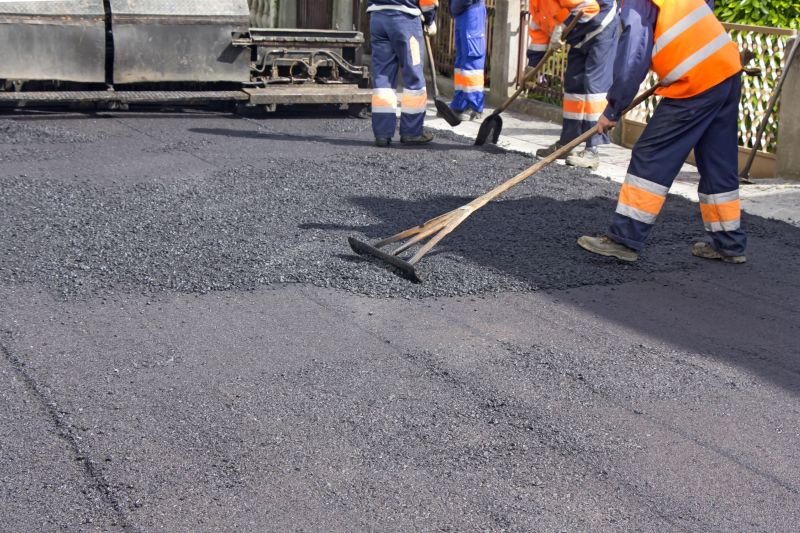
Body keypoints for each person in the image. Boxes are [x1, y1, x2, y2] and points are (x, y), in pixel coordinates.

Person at [577, 0, 746, 263]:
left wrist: (613, 109)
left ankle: (624, 239)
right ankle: (729, 243)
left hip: (696, 81)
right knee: (717, 161)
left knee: (651, 154)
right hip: (726, 70)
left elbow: (634, 52)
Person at [527, 0, 619, 169]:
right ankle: (567, 143)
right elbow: (538, 31)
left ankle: (592, 149)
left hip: (601, 26)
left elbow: (590, 7)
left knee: (593, 87)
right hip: (578, 34)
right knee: (573, 84)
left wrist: (562, 27)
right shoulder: (535, 3)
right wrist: (532, 66)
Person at [367, 0, 439, 147]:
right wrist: (430, 20)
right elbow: (428, 2)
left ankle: (382, 134)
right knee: (413, 76)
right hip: (405, 21)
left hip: (378, 19)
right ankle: (411, 133)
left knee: (382, 78)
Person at [448, 0, 487, 121]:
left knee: (472, 62)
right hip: (463, 12)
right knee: (461, 62)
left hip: (471, 12)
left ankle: (474, 106)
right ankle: (460, 104)